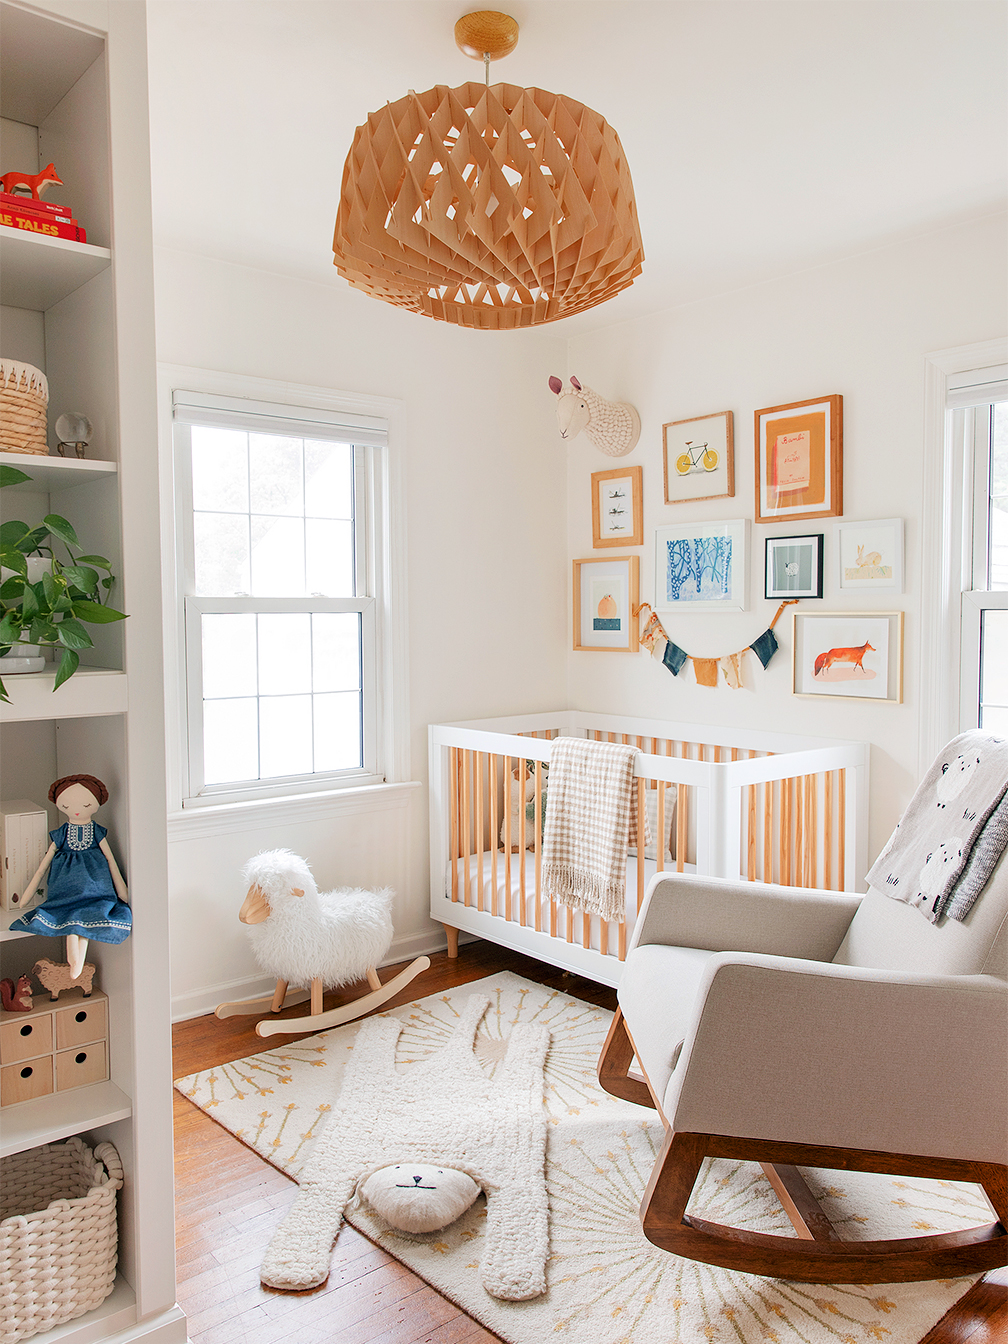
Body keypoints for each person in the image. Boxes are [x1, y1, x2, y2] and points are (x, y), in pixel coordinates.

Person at [10, 773, 130, 977]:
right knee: (73, 917)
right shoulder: (62, 833)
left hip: (95, 888)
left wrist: (122, 891)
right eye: (66, 805)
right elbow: (43, 866)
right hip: (65, 889)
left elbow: (111, 861)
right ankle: (74, 959)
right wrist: (27, 894)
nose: (76, 810)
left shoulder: (96, 832)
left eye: (86, 805)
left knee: (84, 918)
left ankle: (76, 961)